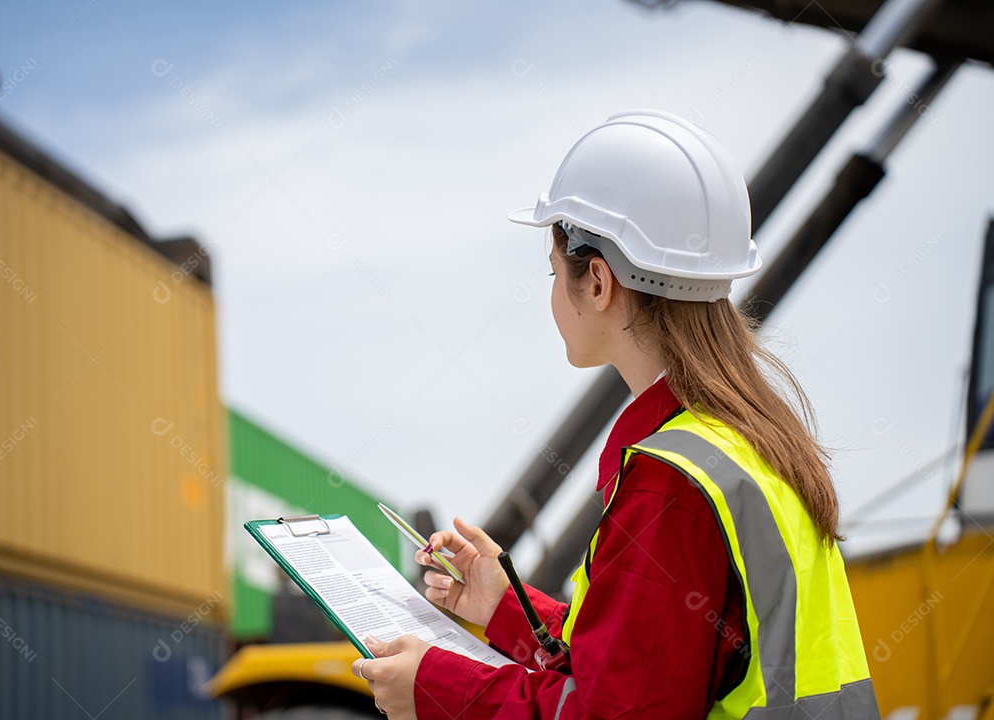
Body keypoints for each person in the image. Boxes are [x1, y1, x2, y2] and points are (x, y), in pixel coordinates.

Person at [351, 110, 878, 719]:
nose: (554, 292)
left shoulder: (671, 483)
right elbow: (647, 662)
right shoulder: (753, 446)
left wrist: (434, 685)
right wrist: (508, 609)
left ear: (597, 282)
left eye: (555, 273)